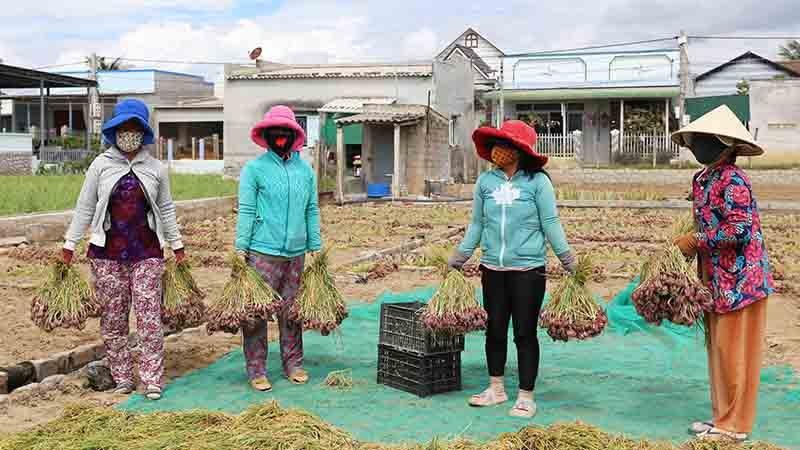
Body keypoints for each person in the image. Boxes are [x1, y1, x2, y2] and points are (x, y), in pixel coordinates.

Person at [449, 120, 577, 418]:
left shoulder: (538, 183)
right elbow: (477, 224)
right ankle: (496, 388)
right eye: (495, 144)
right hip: (492, 268)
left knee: (524, 333)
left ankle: (525, 395)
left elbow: (550, 224)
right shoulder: (486, 183)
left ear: (519, 151)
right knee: (494, 330)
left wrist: (568, 259)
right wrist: (460, 256)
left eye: (505, 145)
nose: (497, 150)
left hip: (528, 270)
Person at [62, 98, 185, 401]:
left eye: (135, 129)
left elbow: (166, 209)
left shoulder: (155, 168)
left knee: (148, 317)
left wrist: (177, 243)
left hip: (147, 252)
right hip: (107, 255)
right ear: (114, 131)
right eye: (123, 128)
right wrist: (69, 243)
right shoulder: (100, 165)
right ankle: (121, 377)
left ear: (143, 134)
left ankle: (152, 378)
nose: (128, 134)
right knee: (114, 319)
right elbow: (85, 207)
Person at [671, 105, 774, 443]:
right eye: (695, 140)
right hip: (714, 278)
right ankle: (721, 416)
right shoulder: (703, 179)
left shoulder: (734, 180)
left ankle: (735, 425)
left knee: (735, 353)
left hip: (741, 280)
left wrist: (697, 240)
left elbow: (740, 229)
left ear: (724, 143)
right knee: (718, 350)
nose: (697, 146)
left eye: (703, 139)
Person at [234, 105, 322, 392]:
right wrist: (240, 248)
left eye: (286, 131)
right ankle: (256, 369)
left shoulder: (305, 171)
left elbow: (311, 209)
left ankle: (293, 363)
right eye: (276, 131)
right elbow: (246, 210)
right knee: (257, 314)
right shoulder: (255, 169)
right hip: (262, 253)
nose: (281, 135)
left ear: (294, 134)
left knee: (291, 312)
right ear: (267, 134)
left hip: (295, 255)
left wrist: (315, 245)